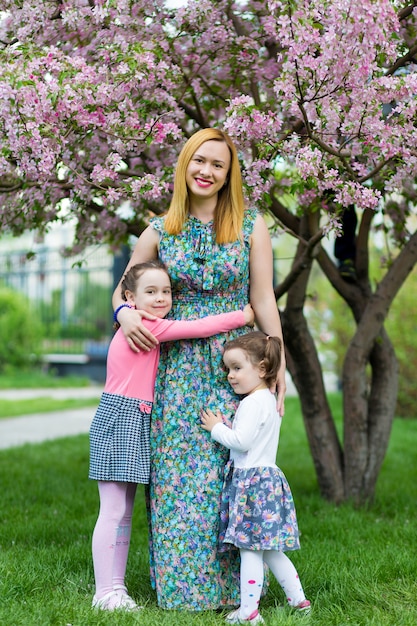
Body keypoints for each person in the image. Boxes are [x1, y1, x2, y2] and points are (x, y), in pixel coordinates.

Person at [112, 127, 287, 611]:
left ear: (230, 174)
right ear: (184, 165)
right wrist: (125, 315)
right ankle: (183, 591)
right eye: (199, 161)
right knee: (176, 477)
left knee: (234, 470)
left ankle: (237, 591)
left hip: (238, 366)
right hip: (175, 368)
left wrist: (278, 365)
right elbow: (123, 289)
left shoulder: (251, 225)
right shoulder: (160, 227)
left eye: (218, 164)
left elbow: (264, 298)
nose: (206, 172)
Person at [90, 259, 254, 611]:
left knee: (124, 509)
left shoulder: (146, 321)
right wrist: (242, 317)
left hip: (135, 417)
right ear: (130, 298)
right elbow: (198, 327)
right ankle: (104, 591)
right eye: (151, 292)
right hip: (122, 418)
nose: (162, 298)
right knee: (114, 508)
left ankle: (115, 588)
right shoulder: (148, 326)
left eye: (167, 291)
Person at [201, 331, 311, 624]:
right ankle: (299, 601)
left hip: (253, 484)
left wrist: (216, 428)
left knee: (249, 549)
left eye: (237, 368)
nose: (230, 376)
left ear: (262, 369)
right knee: (270, 549)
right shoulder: (269, 398)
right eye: (227, 369)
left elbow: (242, 441)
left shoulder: (252, 402)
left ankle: (249, 612)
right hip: (267, 480)